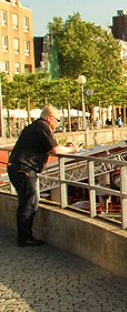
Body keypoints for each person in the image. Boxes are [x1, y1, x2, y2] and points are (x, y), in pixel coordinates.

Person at [6, 105, 80, 246]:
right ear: (50, 118)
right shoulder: (42, 126)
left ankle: (25, 236)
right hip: (24, 168)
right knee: (29, 203)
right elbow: (55, 149)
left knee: (27, 201)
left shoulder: (34, 127)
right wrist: (73, 149)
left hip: (18, 167)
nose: (57, 125)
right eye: (57, 121)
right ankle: (24, 238)